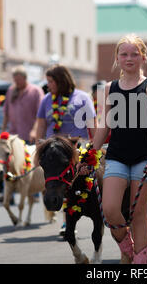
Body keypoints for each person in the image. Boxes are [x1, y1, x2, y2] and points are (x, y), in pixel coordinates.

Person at [92, 34, 147, 264]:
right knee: (111, 210)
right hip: (116, 157)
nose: (129, 58)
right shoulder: (109, 89)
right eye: (124, 54)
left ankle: (140, 264)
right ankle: (127, 247)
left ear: (143, 57)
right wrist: (90, 154)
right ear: (117, 58)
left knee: (138, 215)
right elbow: (104, 125)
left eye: (134, 54)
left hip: (144, 159)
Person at [35, 64, 96, 234]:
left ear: (61, 81)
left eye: (51, 81)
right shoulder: (47, 99)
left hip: (77, 148)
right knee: (56, 183)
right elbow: (41, 125)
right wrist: (38, 146)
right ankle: (66, 222)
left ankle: (92, 214)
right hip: (53, 151)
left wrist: (94, 147)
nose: (48, 85)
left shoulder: (82, 98)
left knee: (78, 185)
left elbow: (93, 124)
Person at [0, 65, 45, 204]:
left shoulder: (35, 91)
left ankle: (33, 193)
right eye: (14, 79)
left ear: (24, 78)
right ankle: (8, 195)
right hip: (13, 137)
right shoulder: (11, 91)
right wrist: (2, 131)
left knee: (29, 165)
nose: (16, 82)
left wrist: (35, 130)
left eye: (18, 79)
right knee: (9, 164)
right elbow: (6, 113)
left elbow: (40, 115)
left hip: (29, 136)